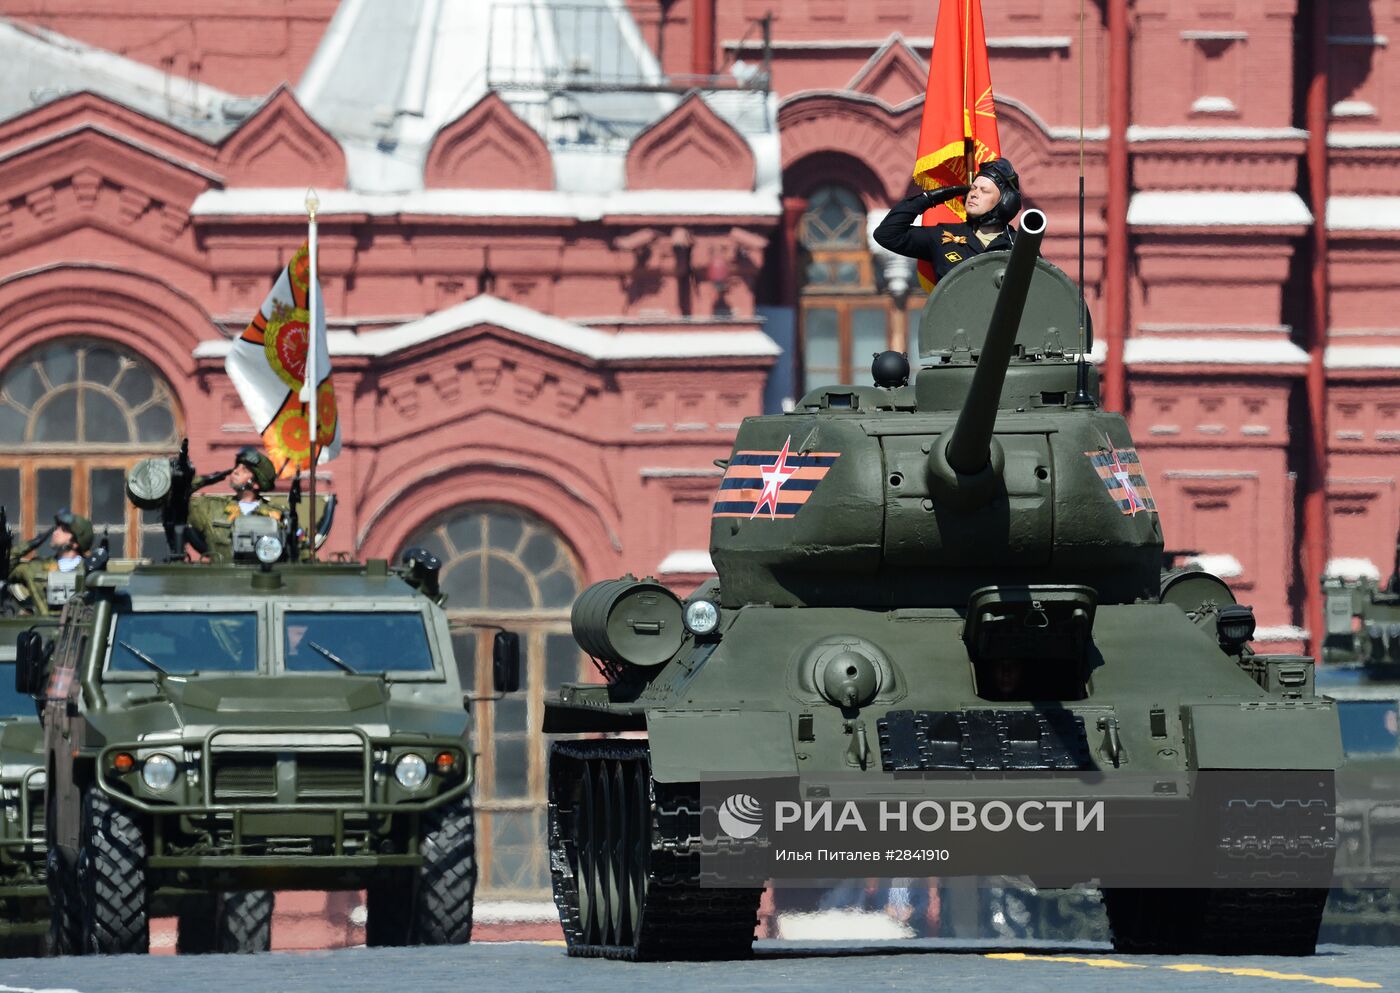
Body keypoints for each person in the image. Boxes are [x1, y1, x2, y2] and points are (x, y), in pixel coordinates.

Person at [872, 157, 1025, 282]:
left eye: (984, 191)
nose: (973, 194)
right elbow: (887, 234)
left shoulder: (1019, 246)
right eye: (973, 188)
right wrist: (929, 198)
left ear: (1005, 202)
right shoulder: (945, 235)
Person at [187, 447, 283, 562]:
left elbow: (301, 552)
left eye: (245, 470)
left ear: (257, 484)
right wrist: (204, 480)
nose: (235, 471)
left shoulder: (277, 514)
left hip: (263, 578)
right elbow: (175, 498)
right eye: (237, 466)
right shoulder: (211, 507)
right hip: (222, 577)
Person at [5, 509, 92, 615]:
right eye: (57, 528)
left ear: (75, 543)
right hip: (38, 628)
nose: (56, 532)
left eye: (63, 530)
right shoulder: (38, 566)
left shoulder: (88, 571)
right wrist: (31, 544)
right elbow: (5, 569)